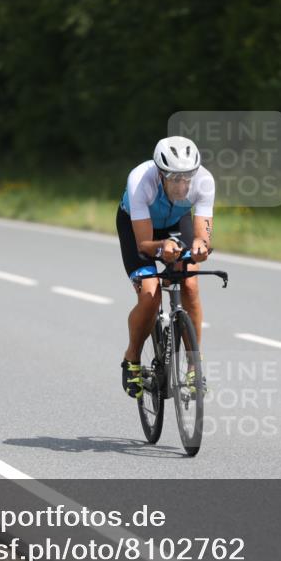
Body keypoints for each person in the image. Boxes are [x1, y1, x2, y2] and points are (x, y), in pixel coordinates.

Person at [118, 136, 214, 398]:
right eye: (174, 178)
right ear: (160, 173)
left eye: (188, 177)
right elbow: (144, 245)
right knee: (150, 296)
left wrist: (200, 247)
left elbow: (202, 235)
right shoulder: (140, 180)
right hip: (139, 228)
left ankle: (194, 366)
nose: (182, 185)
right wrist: (162, 248)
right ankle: (132, 358)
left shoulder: (204, 181)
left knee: (190, 284)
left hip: (175, 220)